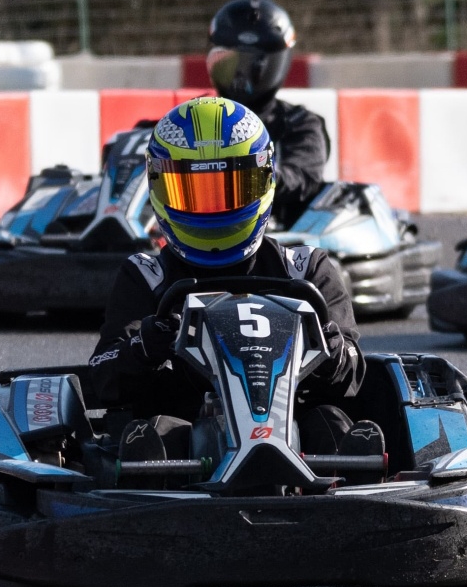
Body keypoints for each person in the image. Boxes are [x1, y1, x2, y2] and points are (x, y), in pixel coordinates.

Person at [87, 96, 376, 460]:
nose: (213, 210)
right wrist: (144, 348)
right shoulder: (146, 277)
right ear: (159, 186)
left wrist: (331, 351)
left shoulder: (305, 269)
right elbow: (103, 373)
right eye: (192, 193)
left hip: (296, 437)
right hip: (185, 450)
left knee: (329, 424)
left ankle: (346, 478)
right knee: (157, 434)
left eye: (231, 189)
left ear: (264, 180)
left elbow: (354, 374)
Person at [206, 0, 327, 227]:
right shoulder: (198, 118)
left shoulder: (298, 124)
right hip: (196, 228)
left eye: (249, 65)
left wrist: (250, 176)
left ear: (272, 65)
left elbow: (302, 177)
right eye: (231, 63)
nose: (239, 78)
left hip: (271, 233)